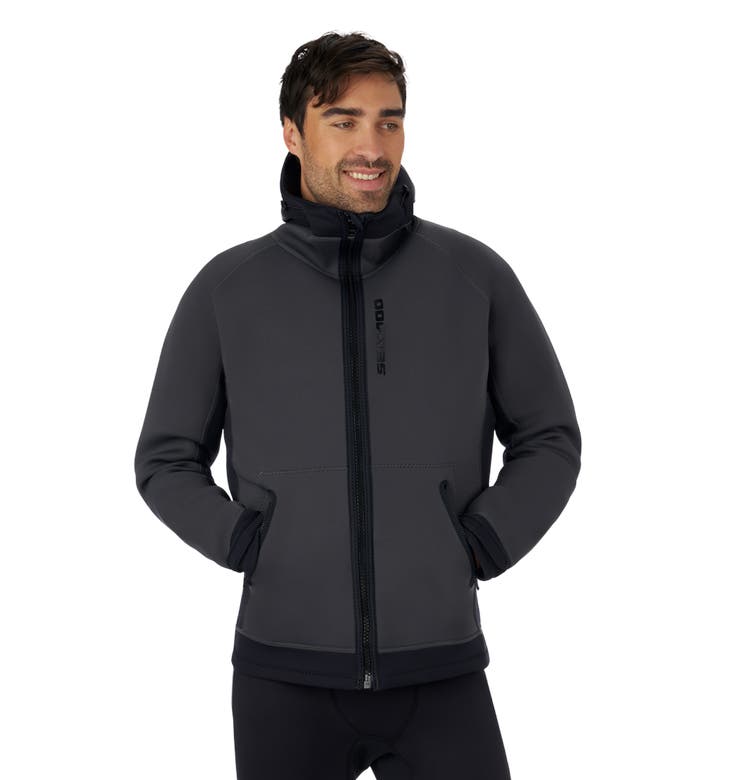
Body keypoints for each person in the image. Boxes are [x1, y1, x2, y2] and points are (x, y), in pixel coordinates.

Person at [134, 30, 582, 780]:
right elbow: (165, 458)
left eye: (389, 121)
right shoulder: (228, 289)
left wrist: (481, 542)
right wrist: (247, 542)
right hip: (283, 677)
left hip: (441, 670)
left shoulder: (473, 276)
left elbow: (549, 436)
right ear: (292, 132)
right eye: (343, 121)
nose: (372, 146)